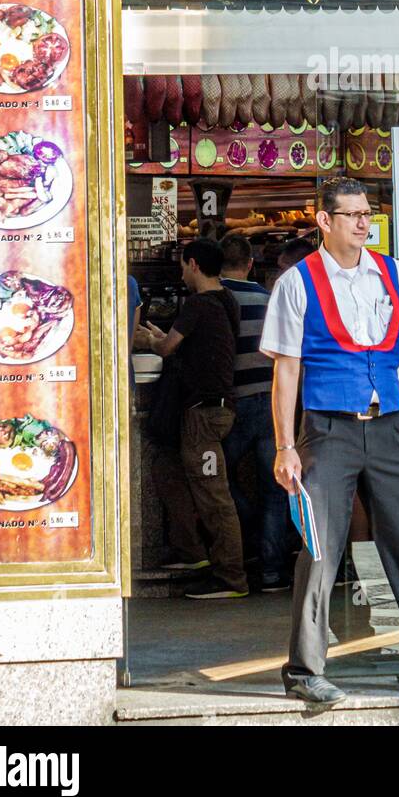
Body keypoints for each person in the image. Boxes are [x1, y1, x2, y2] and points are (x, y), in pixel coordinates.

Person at [261, 176, 399, 706]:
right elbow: (287, 372)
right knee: (321, 549)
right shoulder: (297, 282)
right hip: (327, 428)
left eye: (368, 213)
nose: (365, 223)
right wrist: (284, 445)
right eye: (353, 214)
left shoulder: (391, 271)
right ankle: (303, 670)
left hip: (389, 424)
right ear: (325, 220)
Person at [144, 239, 249, 600]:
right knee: (172, 471)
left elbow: (166, 348)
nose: (181, 273)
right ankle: (194, 555)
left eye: (183, 266)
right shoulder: (226, 300)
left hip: (202, 413)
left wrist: (148, 337)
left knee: (214, 496)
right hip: (218, 407)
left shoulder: (198, 304)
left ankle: (230, 578)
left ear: (192, 264)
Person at [220, 233, 292, 591]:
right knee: (274, 491)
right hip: (270, 402)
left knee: (217, 479)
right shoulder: (268, 300)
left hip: (233, 404)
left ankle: (246, 532)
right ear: (250, 263)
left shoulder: (216, 299)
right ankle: (272, 572)